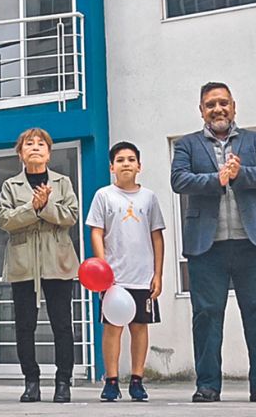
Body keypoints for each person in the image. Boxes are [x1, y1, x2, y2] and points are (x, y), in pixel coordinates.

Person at [170, 82, 256, 404]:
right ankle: (208, 385)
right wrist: (216, 179)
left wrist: (238, 174)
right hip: (206, 248)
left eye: (223, 103)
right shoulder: (187, 145)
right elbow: (179, 180)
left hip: (253, 243)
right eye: (211, 104)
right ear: (201, 110)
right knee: (207, 315)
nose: (218, 109)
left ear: (234, 106)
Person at [0, 127, 80, 403]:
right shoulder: (10, 185)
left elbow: (71, 216)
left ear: (49, 152)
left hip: (58, 262)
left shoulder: (63, 182)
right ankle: (31, 380)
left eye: (40, 144)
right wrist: (32, 207)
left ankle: (63, 382)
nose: (35, 147)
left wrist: (45, 207)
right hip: (23, 266)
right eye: (28, 144)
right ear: (20, 153)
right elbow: (4, 220)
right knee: (24, 326)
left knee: (62, 325)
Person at [87, 141, 165, 402]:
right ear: (112, 167)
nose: (126, 164)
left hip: (142, 276)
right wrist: (102, 269)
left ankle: (137, 380)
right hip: (114, 280)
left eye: (131, 159)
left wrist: (158, 274)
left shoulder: (149, 198)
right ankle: (111, 381)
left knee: (140, 327)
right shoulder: (103, 196)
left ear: (139, 166)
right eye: (120, 160)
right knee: (112, 328)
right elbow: (96, 231)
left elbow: (157, 237)